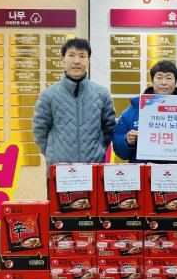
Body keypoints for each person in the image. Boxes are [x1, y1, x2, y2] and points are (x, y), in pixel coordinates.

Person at [33, 38, 116, 193]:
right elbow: (40, 131)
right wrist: (53, 154)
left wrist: (98, 151)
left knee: (91, 210)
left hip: (93, 171)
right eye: (71, 55)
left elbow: (109, 128)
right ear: (63, 60)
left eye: (82, 56)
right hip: (60, 173)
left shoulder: (102, 94)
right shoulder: (48, 95)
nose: (76, 61)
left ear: (88, 60)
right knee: (59, 211)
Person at [113, 60, 177, 162]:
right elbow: (120, 152)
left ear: (175, 81)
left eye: (169, 78)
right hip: (143, 171)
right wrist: (127, 141)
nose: (164, 82)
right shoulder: (133, 111)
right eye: (159, 77)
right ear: (152, 81)